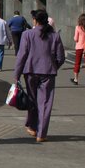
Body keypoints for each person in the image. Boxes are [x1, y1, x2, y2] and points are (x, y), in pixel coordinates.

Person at [13, 11, 67, 143]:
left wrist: (17, 75)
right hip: (48, 72)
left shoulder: (27, 34)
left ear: (35, 21)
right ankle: (41, 133)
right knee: (45, 103)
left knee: (32, 99)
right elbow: (61, 57)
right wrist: (53, 66)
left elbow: (22, 56)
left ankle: (32, 126)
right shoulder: (55, 36)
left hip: (30, 72)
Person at [70, 13, 85, 87]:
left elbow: (76, 39)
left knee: (77, 63)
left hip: (79, 47)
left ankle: (76, 79)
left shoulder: (78, 27)